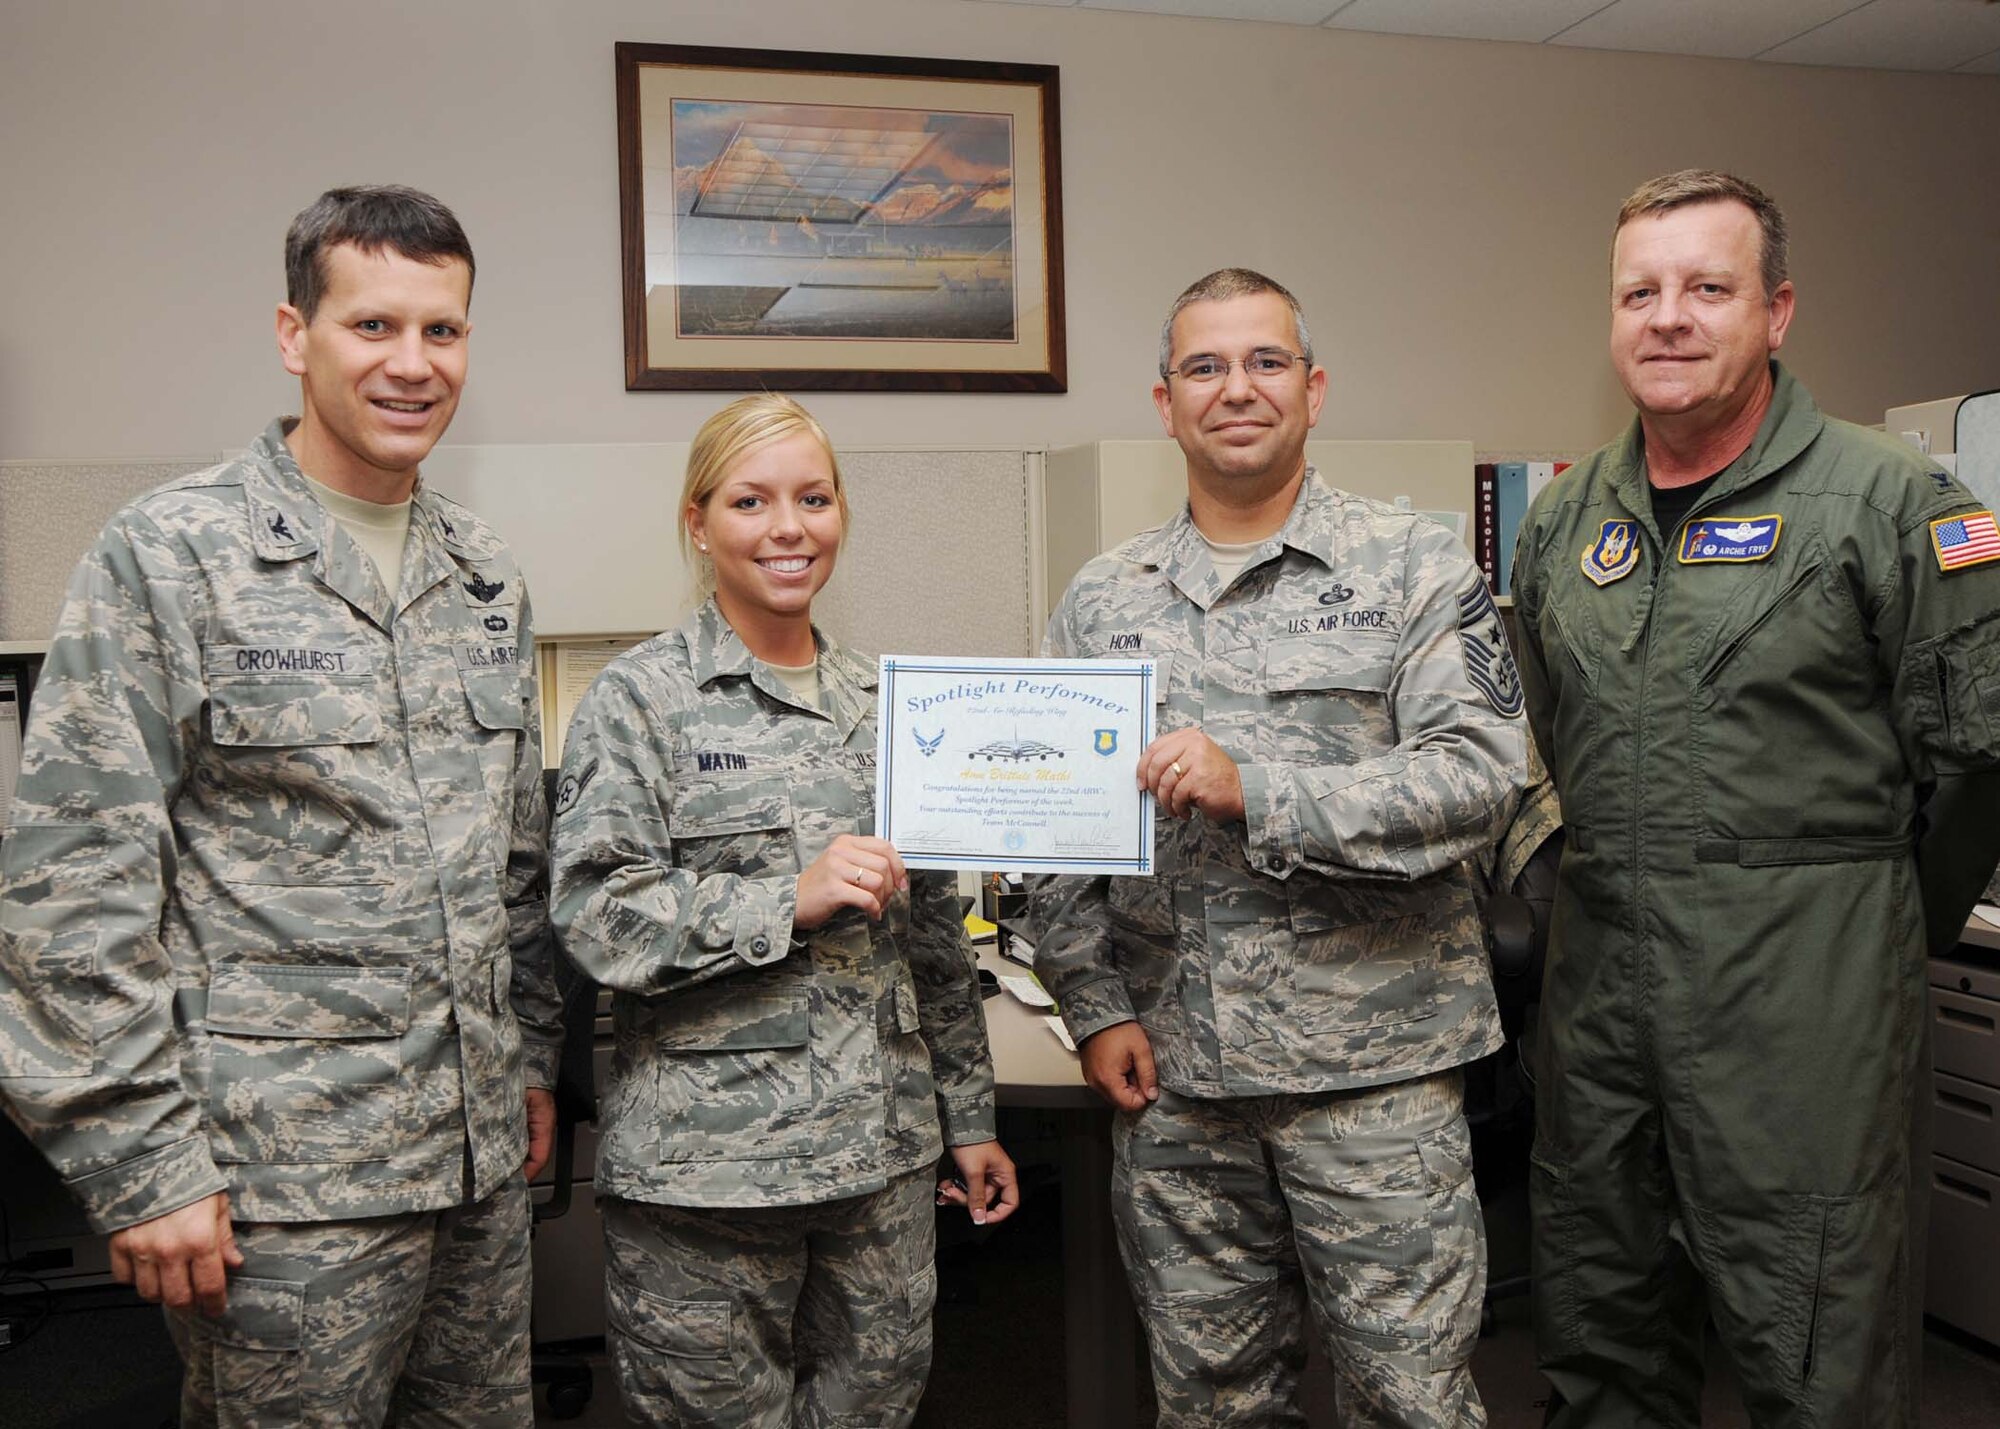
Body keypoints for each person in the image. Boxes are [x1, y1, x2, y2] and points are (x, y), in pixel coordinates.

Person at [0, 185, 562, 1424]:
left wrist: (530, 1057)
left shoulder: (483, 576)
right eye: (373, 327)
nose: (412, 365)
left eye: (444, 331)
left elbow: (511, 861)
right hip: (279, 1191)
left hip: (474, 1179)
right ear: (292, 332)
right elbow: (67, 890)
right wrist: (140, 1164)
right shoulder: (172, 554)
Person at [1511, 169, 2000, 1426]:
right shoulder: (1567, 517)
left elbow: (1980, 760)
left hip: (1803, 1018)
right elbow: (1547, 738)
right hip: (1602, 1012)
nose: (1666, 317)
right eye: (1639, 291)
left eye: (1706, 288)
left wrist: (1882, 927)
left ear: (1775, 312)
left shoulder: (1890, 502)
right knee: (1598, 1338)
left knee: (1812, 1350)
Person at [1028, 268, 1530, 1426]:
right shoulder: (1104, 599)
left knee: (1407, 1396)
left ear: (1310, 389)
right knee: (1207, 1399)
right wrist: (1095, 1004)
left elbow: (1476, 781)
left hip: (1375, 1078)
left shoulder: (1414, 566)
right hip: (1179, 1082)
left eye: (1263, 363)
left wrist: (1260, 792)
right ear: (1165, 403)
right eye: (1204, 367)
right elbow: (1056, 830)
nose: (1234, 389)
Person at [549, 393, 1018, 1428]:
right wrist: (784, 899)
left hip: (879, 1167)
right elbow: (594, 914)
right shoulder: (640, 701)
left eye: (812, 497)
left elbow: (934, 947)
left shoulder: (894, 707)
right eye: (751, 501)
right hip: (705, 1178)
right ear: (697, 519)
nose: (787, 527)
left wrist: (968, 1120)